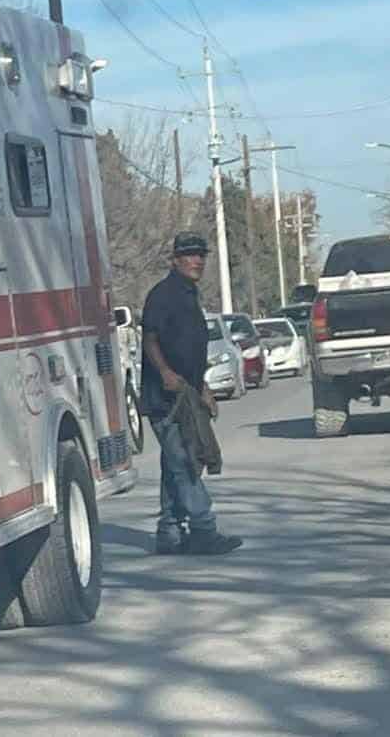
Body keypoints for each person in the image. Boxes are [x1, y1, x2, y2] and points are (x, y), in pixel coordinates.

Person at [140, 231, 244, 556]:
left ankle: (169, 534)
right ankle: (203, 530)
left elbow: (190, 351)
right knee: (185, 463)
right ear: (174, 259)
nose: (197, 259)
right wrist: (166, 373)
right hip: (165, 399)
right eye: (189, 254)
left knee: (175, 465)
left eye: (201, 254)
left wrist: (204, 387)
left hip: (187, 394)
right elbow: (149, 339)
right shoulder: (163, 294)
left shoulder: (190, 295)